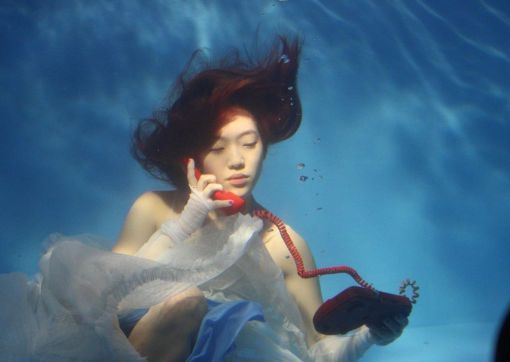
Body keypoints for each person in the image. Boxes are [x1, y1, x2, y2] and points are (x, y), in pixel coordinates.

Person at [0, 36, 407, 361]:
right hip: (127, 344)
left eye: (249, 144)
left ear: (265, 149)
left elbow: (317, 352)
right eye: (218, 148)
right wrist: (186, 222)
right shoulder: (155, 209)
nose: (237, 161)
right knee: (186, 304)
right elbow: (103, 301)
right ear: (192, 158)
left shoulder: (285, 245)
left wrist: (369, 337)